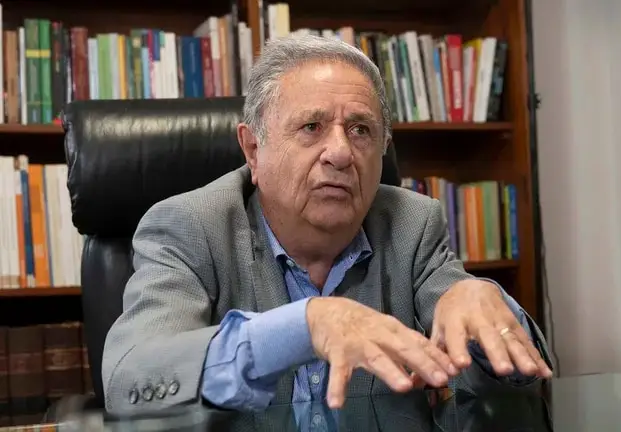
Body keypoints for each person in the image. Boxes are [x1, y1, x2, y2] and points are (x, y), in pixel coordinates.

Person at [101, 34, 552, 421]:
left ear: (382, 149)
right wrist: (304, 326)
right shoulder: (190, 227)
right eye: (312, 126)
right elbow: (131, 379)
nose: (340, 153)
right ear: (253, 149)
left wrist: (484, 311)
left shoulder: (412, 225)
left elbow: (510, 389)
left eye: (360, 130)